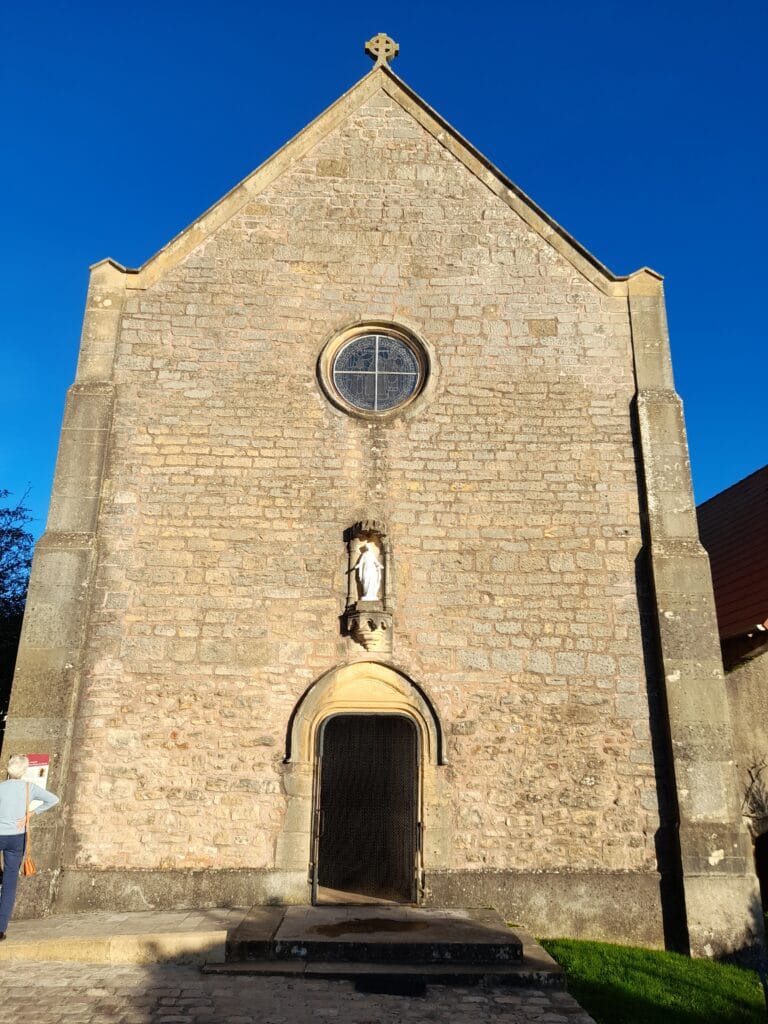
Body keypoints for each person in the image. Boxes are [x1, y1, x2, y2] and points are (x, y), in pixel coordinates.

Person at [0, 754, 59, 940]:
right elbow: (53, 799)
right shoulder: (29, 788)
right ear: (24, 771)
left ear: (8, 769)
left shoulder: (1, 787)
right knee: (10, 883)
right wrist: (32, 813)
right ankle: (0, 929)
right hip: (17, 838)